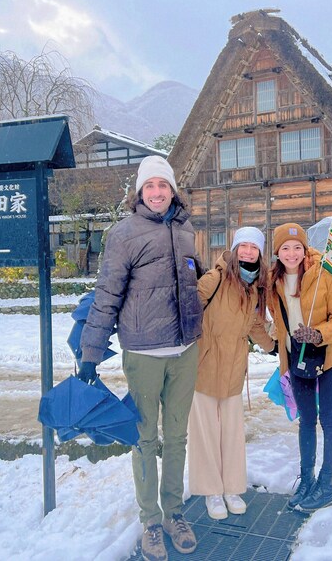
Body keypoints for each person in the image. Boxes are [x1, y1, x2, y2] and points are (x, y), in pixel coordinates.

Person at [80, 155, 203, 561]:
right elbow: (107, 294)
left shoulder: (186, 230)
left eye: (162, 186)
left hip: (184, 351)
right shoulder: (124, 233)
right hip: (144, 352)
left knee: (178, 438)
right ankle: (150, 520)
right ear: (139, 192)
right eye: (149, 187)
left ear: (172, 191)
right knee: (146, 439)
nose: (156, 193)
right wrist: (91, 351)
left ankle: (174, 513)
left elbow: (194, 282)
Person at [267, 222, 332, 513]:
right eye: (285, 248)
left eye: (297, 247)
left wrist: (318, 334)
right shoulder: (274, 281)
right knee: (306, 420)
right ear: (277, 252)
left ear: (305, 250)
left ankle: (326, 485)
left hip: (328, 357)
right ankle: (307, 480)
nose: (291, 253)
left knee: (329, 419)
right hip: (297, 359)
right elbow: (277, 319)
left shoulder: (325, 275)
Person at [187, 226, 275, 520]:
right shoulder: (214, 279)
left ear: (260, 253)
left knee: (233, 433)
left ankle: (232, 488)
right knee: (205, 433)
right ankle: (211, 491)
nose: (248, 251)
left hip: (235, 368)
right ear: (235, 249)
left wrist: (272, 346)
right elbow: (186, 309)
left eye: (254, 247)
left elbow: (253, 324)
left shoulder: (254, 287)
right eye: (244, 245)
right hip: (204, 366)